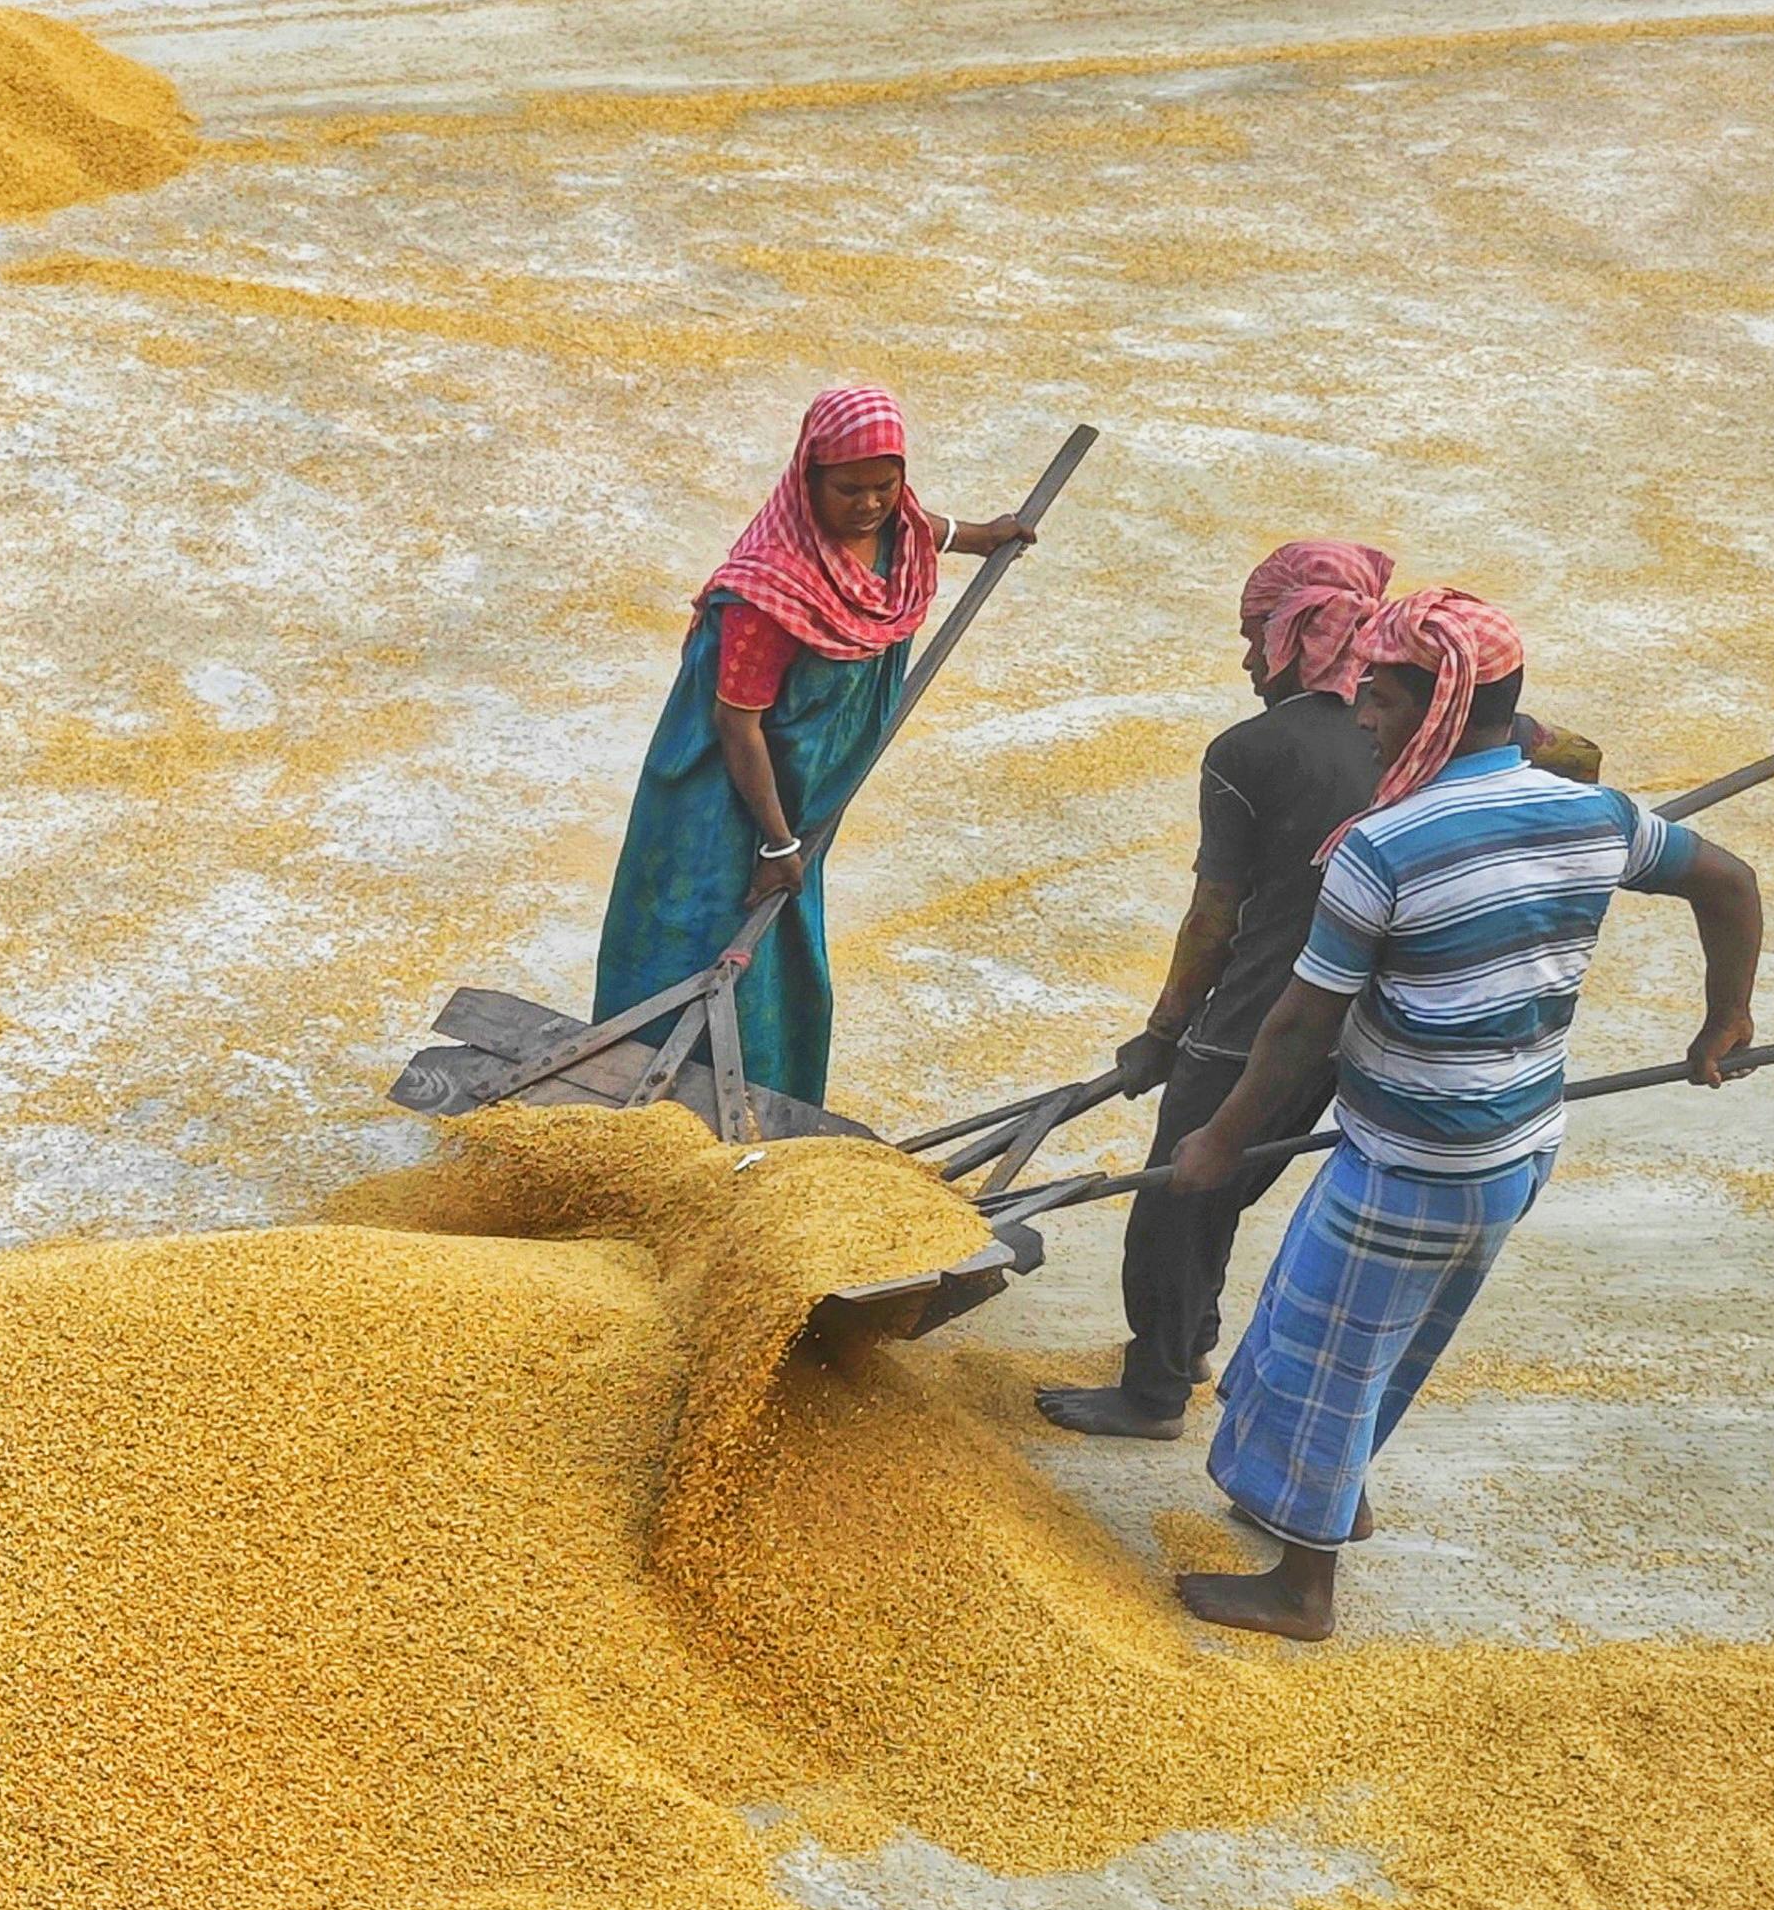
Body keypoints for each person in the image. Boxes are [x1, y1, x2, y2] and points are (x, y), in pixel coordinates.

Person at [1160, 591, 1764, 1642]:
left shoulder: (1384, 847)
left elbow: (1303, 1024)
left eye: (1381, 699)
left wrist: (1216, 1138)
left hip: (1416, 1157)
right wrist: (1727, 1019)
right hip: (1515, 1144)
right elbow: (1730, 879)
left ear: (1435, 706)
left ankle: (1303, 1588)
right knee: (1347, 1332)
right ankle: (1327, 1500)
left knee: (1329, 1358)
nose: (1362, 719)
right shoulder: (1601, 814)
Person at [1035, 541, 1397, 1440]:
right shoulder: (1418, 731)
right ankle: (1192, 1339)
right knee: (1228, 1183)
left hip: (1256, 1018)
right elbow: (1561, 749)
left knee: (1177, 1195)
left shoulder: (1250, 751)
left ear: (1296, 636)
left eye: (1255, 637)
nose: (1247, 662)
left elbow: (1214, 913)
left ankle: (1153, 1391)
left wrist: (1162, 1034)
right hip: (1359, 1029)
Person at [594, 384, 1034, 1112]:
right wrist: (773, 843)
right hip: (726, 801)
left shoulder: (896, 530)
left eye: (884, 487)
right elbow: (739, 729)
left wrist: (985, 535)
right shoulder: (770, 592)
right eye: (848, 489)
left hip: (801, 797)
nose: (868, 505)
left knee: (783, 953)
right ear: (809, 480)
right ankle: (659, 1104)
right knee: (704, 930)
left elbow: (918, 525)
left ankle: (770, 1095)